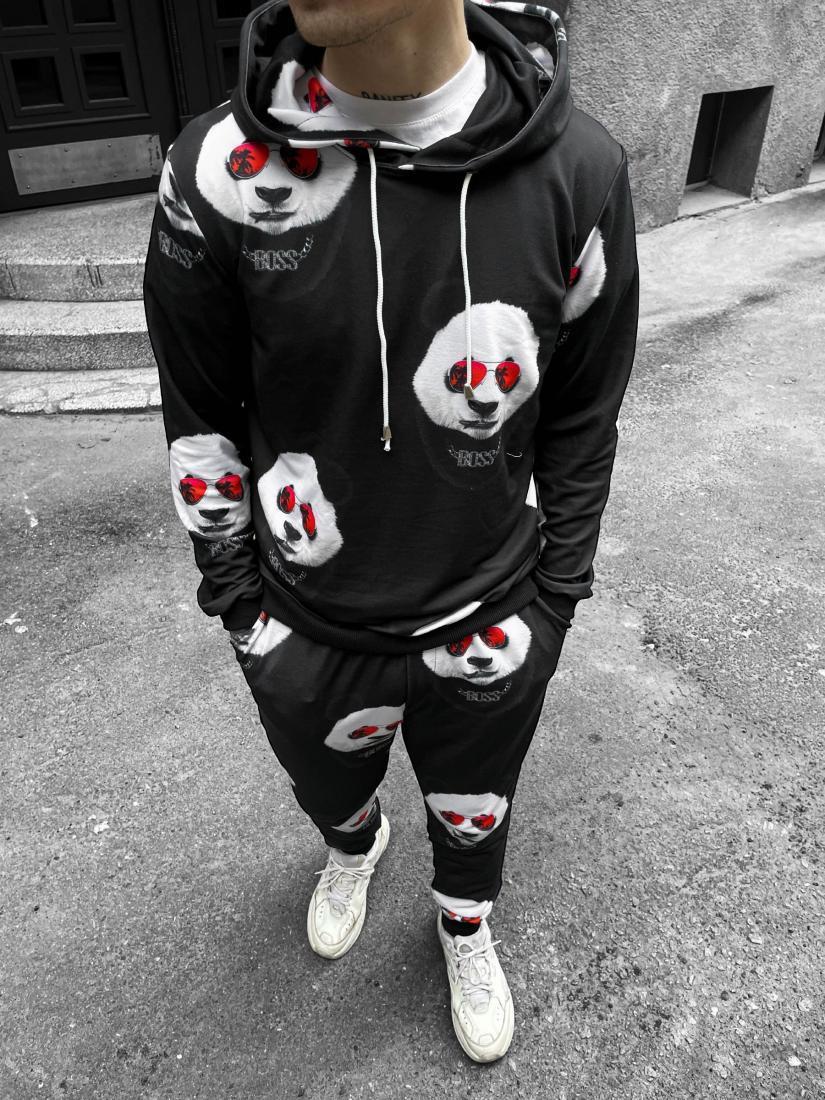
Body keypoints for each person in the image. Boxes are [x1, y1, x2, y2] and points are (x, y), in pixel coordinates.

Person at [143, 0, 638, 1064]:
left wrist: (557, 599)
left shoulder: (580, 171)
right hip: (302, 621)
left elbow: (583, 417)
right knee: (328, 789)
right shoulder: (214, 171)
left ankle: (463, 920)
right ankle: (354, 844)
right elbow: (199, 413)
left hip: (494, 611)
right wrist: (241, 609)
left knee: (476, 808)